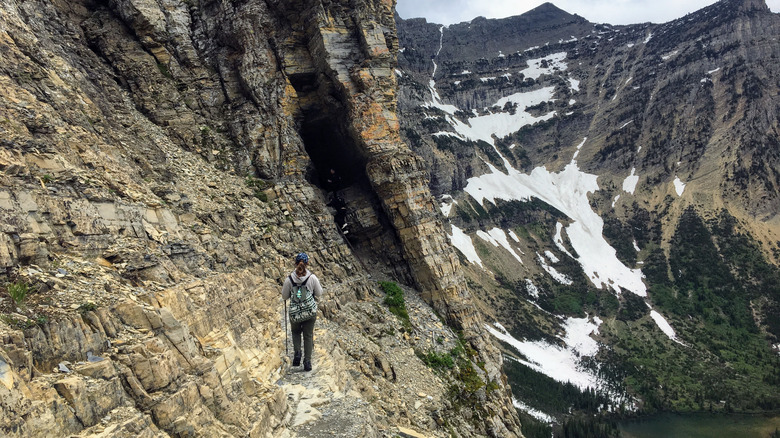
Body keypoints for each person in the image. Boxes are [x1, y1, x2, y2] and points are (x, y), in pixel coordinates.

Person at [281, 252, 323, 371]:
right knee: (308, 336)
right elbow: (319, 293)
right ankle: (307, 362)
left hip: (295, 313)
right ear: (307, 263)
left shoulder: (289, 279)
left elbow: (284, 296)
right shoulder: (312, 278)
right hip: (309, 312)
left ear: (295, 263)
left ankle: (297, 353)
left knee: (295, 332)